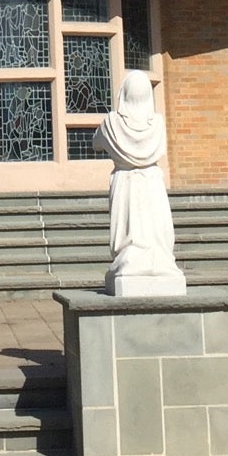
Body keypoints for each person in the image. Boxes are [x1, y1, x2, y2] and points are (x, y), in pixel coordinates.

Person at [93, 71, 186, 296]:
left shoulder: (111, 123)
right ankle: (155, 260)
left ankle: (132, 260)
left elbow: (96, 143)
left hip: (126, 181)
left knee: (131, 228)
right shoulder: (158, 124)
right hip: (152, 182)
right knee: (153, 228)